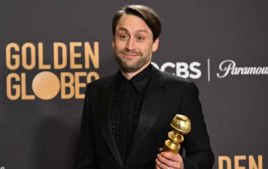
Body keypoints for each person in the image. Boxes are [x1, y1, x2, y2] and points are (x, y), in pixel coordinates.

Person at [76, 4, 214, 169]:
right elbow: (85, 160)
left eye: (140, 38)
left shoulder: (181, 91)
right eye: (123, 36)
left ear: (154, 43)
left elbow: (204, 156)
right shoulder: (95, 91)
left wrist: (183, 165)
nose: (130, 45)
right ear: (113, 41)